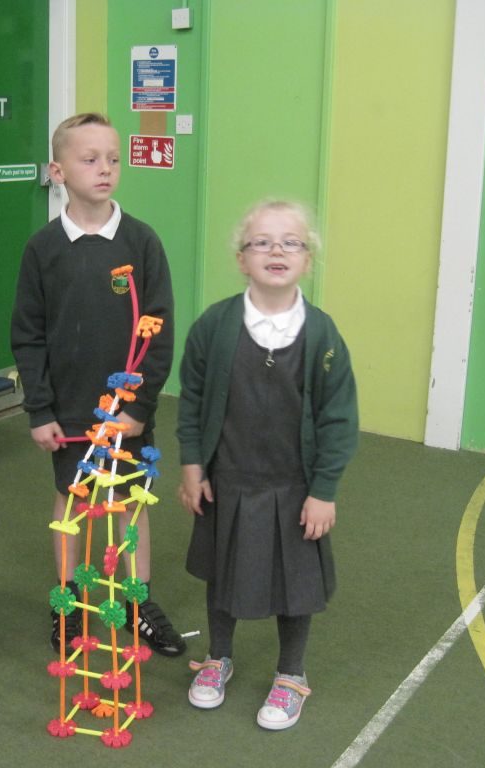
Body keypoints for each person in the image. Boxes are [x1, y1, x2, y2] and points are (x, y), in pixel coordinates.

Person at [176, 199, 358, 729]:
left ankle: (291, 673)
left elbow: (339, 419)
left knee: (294, 582)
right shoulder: (214, 326)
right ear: (241, 258)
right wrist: (193, 466)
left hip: (294, 486)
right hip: (228, 481)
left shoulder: (322, 334)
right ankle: (218, 657)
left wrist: (323, 491)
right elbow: (191, 402)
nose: (276, 250)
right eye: (262, 242)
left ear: (308, 259)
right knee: (223, 571)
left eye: (291, 242)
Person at [11, 113, 184, 656]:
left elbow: (158, 331)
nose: (105, 168)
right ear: (58, 171)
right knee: (72, 503)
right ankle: (67, 604)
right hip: (68, 409)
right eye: (90, 159)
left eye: (112, 158)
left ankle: (137, 602)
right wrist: (40, 410)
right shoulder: (42, 249)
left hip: (126, 410)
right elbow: (28, 335)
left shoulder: (141, 241)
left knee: (131, 501)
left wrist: (140, 406)